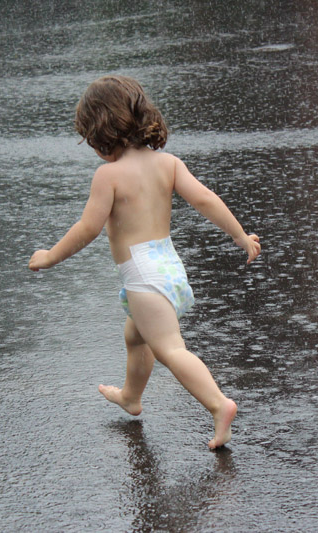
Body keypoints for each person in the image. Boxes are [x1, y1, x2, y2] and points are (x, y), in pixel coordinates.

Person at [29, 75, 261, 449]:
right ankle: (131, 397)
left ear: (101, 132)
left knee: (170, 348)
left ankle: (219, 405)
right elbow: (205, 199)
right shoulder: (168, 163)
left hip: (142, 274)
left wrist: (50, 256)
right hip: (168, 267)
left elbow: (88, 228)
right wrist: (240, 235)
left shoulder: (109, 175)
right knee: (136, 335)